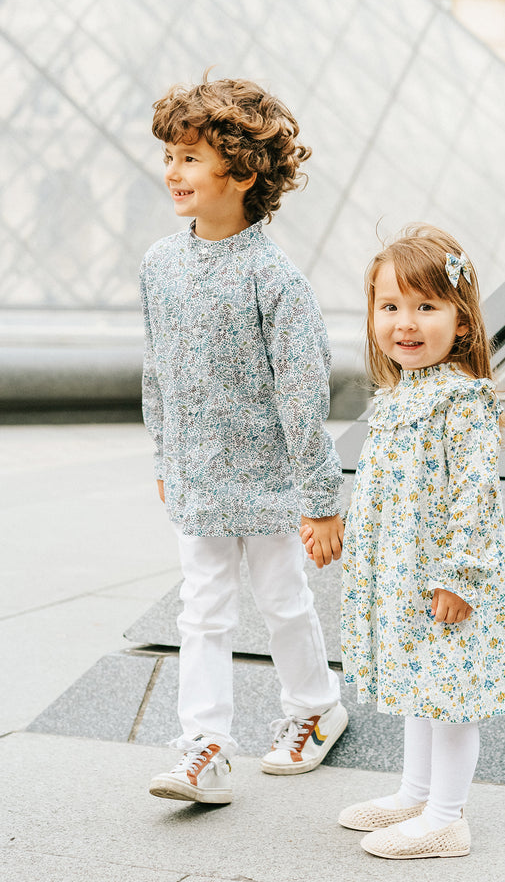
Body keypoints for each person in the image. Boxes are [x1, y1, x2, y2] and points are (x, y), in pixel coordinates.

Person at [140, 75, 347, 805]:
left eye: (191, 157)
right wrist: (163, 453)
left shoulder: (276, 280)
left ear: (245, 171)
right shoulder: (160, 265)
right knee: (202, 611)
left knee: (284, 603)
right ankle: (205, 746)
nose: (172, 170)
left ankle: (316, 709)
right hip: (195, 476)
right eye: (170, 154)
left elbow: (302, 398)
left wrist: (322, 499)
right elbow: (156, 368)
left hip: (268, 484)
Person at [302, 224, 505, 859]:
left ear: (463, 321)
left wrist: (460, 576)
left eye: (427, 307)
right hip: (403, 569)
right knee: (420, 681)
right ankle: (415, 792)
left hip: (445, 576)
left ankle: (448, 816)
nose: (406, 322)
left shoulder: (463, 399)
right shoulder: (398, 397)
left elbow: (474, 494)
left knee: (449, 689)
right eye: (390, 306)